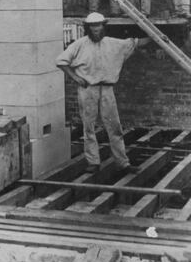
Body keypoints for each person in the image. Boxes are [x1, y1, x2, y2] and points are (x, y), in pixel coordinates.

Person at [56, 12, 150, 174]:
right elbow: (61, 61)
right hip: (88, 89)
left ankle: (122, 163)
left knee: (114, 127)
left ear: (103, 26)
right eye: (92, 26)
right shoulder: (79, 44)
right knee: (88, 127)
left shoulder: (112, 43)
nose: (96, 29)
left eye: (98, 25)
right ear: (88, 27)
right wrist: (76, 78)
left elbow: (134, 43)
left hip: (107, 89)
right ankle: (93, 162)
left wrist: (157, 37)